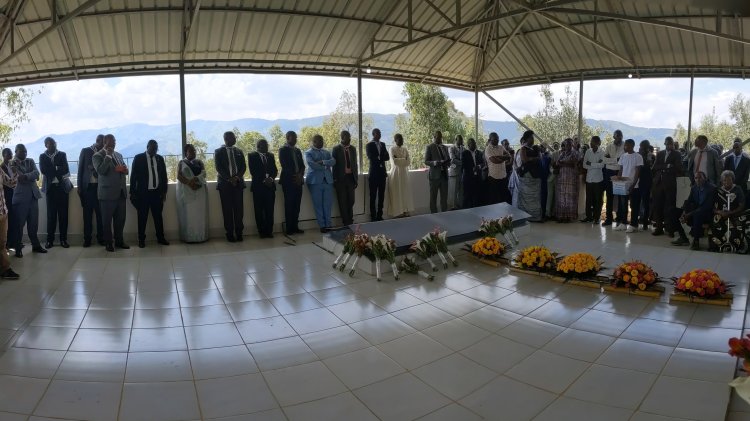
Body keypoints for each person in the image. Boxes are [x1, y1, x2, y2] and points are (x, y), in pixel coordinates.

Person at [92, 134, 129, 252]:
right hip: (107, 194)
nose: (113, 144)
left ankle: (119, 241)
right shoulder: (97, 156)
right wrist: (108, 156)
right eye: (111, 142)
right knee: (107, 221)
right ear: (104, 143)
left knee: (120, 220)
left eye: (114, 142)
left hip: (121, 192)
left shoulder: (118, 155)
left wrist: (124, 170)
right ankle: (108, 243)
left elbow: (124, 170)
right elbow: (101, 171)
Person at [130, 139, 169, 248]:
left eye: (156, 149)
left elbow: (164, 176)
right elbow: (133, 177)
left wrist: (164, 191)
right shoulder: (139, 158)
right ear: (147, 147)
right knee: (142, 218)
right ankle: (141, 240)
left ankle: (160, 238)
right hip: (143, 194)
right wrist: (132, 193)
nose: (154, 151)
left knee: (158, 217)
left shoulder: (159, 158)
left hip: (157, 194)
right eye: (153, 149)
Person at [8, 144, 45, 257]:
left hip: (33, 196)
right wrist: (29, 176)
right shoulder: (11, 163)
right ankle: (18, 248)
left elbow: (37, 174)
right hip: (20, 199)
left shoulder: (30, 161)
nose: (25, 153)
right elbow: (19, 178)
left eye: (25, 151)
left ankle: (36, 245)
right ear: (16, 151)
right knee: (19, 225)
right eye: (22, 151)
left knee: (33, 223)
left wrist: (26, 176)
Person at [39, 137, 71, 249]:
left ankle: (63, 240)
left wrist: (52, 169)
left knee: (63, 215)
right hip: (50, 189)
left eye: (54, 143)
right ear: (46, 145)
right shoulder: (42, 156)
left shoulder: (62, 154)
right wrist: (57, 168)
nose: (53, 145)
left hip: (62, 188)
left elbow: (66, 169)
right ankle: (50, 241)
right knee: (51, 216)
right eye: (51, 144)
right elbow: (43, 170)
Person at [215, 131, 246, 242]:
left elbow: (243, 167)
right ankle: (229, 234)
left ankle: (239, 233)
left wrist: (237, 177)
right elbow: (218, 167)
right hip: (225, 185)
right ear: (226, 139)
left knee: (239, 210)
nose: (235, 139)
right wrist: (229, 179)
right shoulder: (218, 152)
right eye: (233, 137)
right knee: (227, 210)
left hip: (238, 184)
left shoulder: (239, 151)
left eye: (234, 137)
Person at [672, 171, 715, 250]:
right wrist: (684, 212)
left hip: (708, 214)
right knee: (674, 213)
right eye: (696, 178)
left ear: (705, 178)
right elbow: (688, 201)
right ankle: (683, 238)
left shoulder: (711, 189)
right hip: (696, 212)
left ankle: (696, 241)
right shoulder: (694, 188)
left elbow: (706, 207)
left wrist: (689, 214)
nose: (698, 180)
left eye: (700, 177)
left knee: (697, 215)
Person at [708, 170, 748, 253]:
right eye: (724, 180)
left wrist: (731, 213)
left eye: (729, 180)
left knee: (738, 225)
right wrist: (720, 212)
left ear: (733, 180)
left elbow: (742, 205)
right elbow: (713, 207)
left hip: (735, 214)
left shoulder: (737, 189)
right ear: (721, 181)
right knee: (716, 222)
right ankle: (717, 245)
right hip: (721, 214)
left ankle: (738, 246)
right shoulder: (718, 191)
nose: (726, 182)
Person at [651, 137, 683, 236]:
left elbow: (678, 167)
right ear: (665, 144)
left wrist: (664, 167)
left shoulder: (677, 154)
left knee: (670, 207)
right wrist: (667, 166)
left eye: (671, 144)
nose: (670, 145)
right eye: (668, 144)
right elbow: (654, 167)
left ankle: (670, 229)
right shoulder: (660, 153)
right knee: (657, 206)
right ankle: (659, 227)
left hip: (670, 183)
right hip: (658, 183)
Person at [175, 144, 208, 243]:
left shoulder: (199, 162)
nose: (193, 152)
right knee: (190, 215)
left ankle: (201, 236)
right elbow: (179, 176)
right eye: (191, 151)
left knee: (199, 213)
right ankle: (190, 237)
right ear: (186, 152)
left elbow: (204, 173)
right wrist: (190, 183)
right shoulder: (181, 163)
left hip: (200, 190)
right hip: (187, 191)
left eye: (194, 150)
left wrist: (196, 179)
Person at [77, 134, 104, 247]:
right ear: (97, 141)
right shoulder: (86, 151)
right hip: (87, 188)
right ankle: (87, 239)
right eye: (102, 142)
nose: (104, 145)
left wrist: (94, 170)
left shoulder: (103, 152)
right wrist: (79, 186)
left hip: (100, 187)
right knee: (87, 215)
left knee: (100, 215)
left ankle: (101, 238)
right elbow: (80, 170)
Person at [248, 139, 278, 238]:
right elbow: (253, 171)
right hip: (258, 187)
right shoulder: (252, 156)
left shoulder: (271, 156)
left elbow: (275, 170)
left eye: (267, 145)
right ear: (258, 146)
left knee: (270, 210)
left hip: (270, 187)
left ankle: (269, 231)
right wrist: (264, 180)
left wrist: (271, 179)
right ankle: (261, 231)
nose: (266, 147)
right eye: (264, 145)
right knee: (259, 211)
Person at [305, 134, 335, 232]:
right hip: (315, 182)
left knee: (328, 204)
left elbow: (333, 161)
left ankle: (328, 225)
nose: (322, 142)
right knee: (318, 205)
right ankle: (322, 226)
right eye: (320, 141)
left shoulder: (326, 152)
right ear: (314, 142)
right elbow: (312, 165)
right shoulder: (308, 153)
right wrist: (326, 166)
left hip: (328, 181)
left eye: (322, 140)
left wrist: (323, 162)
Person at [612, 139, 643, 233]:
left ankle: (634, 225)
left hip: (634, 186)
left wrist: (633, 185)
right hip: (623, 185)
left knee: (634, 206)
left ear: (632, 146)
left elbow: (637, 172)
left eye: (626, 145)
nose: (625, 147)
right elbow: (621, 169)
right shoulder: (623, 156)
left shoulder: (638, 157)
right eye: (625, 145)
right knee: (623, 205)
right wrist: (618, 180)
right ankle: (623, 223)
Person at [279, 131, 305, 235]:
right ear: (287, 138)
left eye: (296, 138)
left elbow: (302, 165)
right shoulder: (282, 150)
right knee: (289, 205)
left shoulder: (297, 150)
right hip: (288, 181)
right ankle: (289, 228)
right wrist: (296, 176)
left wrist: (300, 175)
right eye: (293, 138)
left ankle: (295, 227)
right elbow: (284, 165)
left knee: (297, 205)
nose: (295, 140)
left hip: (299, 181)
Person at [513, 130, 542, 221]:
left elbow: (539, 158)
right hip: (527, 175)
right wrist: (534, 158)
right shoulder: (523, 149)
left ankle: (535, 216)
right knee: (527, 197)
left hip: (535, 176)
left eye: (533, 137)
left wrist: (535, 157)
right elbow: (524, 160)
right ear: (526, 139)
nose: (533, 139)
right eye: (531, 138)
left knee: (534, 198)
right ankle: (526, 216)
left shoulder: (534, 148)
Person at [331, 130, 358, 226]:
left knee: (351, 200)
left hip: (351, 178)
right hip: (340, 179)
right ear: (342, 138)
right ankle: (346, 222)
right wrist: (334, 179)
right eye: (348, 137)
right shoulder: (336, 149)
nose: (350, 139)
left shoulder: (353, 149)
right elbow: (334, 166)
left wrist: (356, 179)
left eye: (350, 137)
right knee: (342, 201)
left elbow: (355, 164)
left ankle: (350, 219)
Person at [387, 133, 413, 217]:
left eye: (402, 139)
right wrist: (404, 159)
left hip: (404, 174)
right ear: (395, 140)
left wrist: (400, 159)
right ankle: (397, 212)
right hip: (395, 174)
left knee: (404, 193)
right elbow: (395, 162)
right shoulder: (392, 149)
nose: (402, 140)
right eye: (400, 139)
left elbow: (408, 162)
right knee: (396, 193)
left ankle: (405, 210)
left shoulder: (405, 149)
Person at [602, 130, 625, 225]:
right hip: (609, 172)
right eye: (617, 136)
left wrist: (610, 160)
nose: (619, 138)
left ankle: (619, 218)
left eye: (620, 136)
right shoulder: (609, 146)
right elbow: (604, 160)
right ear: (614, 137)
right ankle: (609, 218)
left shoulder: (625, 146)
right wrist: (616, 160)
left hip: (620, 172)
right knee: (609, 196)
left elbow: (623, 160)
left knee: (620, 196)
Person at [424, 130, 451, 213]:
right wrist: (435, 163)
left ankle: (444, 214)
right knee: (433, 198)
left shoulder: (445, 147)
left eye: (441, 137)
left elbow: (448, 159)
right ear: (434, 137)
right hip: (434, 176)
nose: (440, 139)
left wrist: (448, 162)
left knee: (444, 198)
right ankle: (434, 215)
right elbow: (426, 161)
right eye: (438, 137)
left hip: (444, 175)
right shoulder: (430, 147)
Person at [366, 128, 389, 221]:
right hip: (373, 174)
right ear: (373, 134)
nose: (379, 134)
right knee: (373, 196)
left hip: (382, 173)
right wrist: (381, 157)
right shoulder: (369, 145)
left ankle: (380, 215)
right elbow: (370, 157)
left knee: (381, 195)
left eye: (380, 133)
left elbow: (387, 157)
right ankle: (373, 216)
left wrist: (379, 157)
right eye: (377, 133)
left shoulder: (383, 144)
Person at [0, 163, 19, 279]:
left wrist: (15, 172)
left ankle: (5, 269)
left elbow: (11, 183)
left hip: (3, 212)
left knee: (2, 243)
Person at [581, 136, 605, 223]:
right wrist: (595, 164)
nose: (591, 143)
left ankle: (596, 218)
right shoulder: (588, 151)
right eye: (591, 141)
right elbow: (584, 165)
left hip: (598, 179)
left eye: (593, 142)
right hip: (589, 179)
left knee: (597, 200)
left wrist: (590, 164)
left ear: (598, 143)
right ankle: (588, 217)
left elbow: (602, 165)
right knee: (588, 199)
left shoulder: (602, 152)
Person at [484, 132, 511, 205]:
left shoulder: (501, 147)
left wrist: (499, 157)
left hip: (503, 176)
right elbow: (494, 161)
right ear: (490, 139)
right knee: (494, 200)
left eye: (498, 139)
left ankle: (503, 212)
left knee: (504, 199)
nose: (497, 140)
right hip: (493, 178)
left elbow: (509, 156)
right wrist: (503, 158)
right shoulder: (488, 149)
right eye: (495, 139)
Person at [461, 137, 485, 209]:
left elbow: (483, 163)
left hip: (478, 178)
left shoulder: (479, 152)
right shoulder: (464, 153)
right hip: (468, 178)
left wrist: (479, 166)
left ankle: (476, 211)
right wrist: (472, 169)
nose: (474, 145)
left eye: (475, 143)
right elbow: (463, 165)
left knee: (477, 197)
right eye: (473, 143)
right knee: (467, 197)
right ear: (468, 145)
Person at [1, 149, 16, 252]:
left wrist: (15, 173)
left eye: (11, 153)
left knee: (12, 220)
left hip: (8, 201)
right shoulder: (2, 167)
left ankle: (10, 243)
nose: (10, 155)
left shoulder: (8, 167)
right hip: (6, 197)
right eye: (8, 154)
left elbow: (11, 183)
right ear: (3, 155)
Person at [638, 140, 654, 231]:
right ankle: (639, 218)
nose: (640, 148)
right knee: (636, 202)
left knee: (645, 202)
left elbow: (648, 166)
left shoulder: (650, 155)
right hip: (638, 180)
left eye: (641, 146)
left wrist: (643, 158)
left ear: (646, 147)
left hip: (646, 181)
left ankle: (645, 222)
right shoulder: (638, 155)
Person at [449, 135, 465, 209]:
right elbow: (453, 159)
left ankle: (460, 207)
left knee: (461, 192)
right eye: (460, 139)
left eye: (462, 139)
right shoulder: (451, 148)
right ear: (456, 140)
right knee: (454, 192)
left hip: (462, 173)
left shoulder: (463, 148)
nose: (461, 141)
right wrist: (462, 163)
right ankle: (453, 208)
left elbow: (465, 158)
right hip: (454, 173)